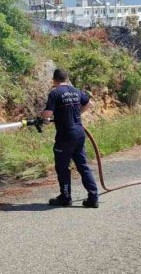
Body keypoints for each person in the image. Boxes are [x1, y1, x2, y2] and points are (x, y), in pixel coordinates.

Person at [41, 68, 99, 208]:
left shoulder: (55, 93)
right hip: (79, 134)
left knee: (62, 167)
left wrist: (44, 117)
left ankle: (65, 197)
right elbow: (89, 104)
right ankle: (93, 198)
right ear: (66, 79)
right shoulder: (76, 91)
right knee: (83, 166)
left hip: (65, 136)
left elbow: (48, 114)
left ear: (54, 80)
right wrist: (77, 114)